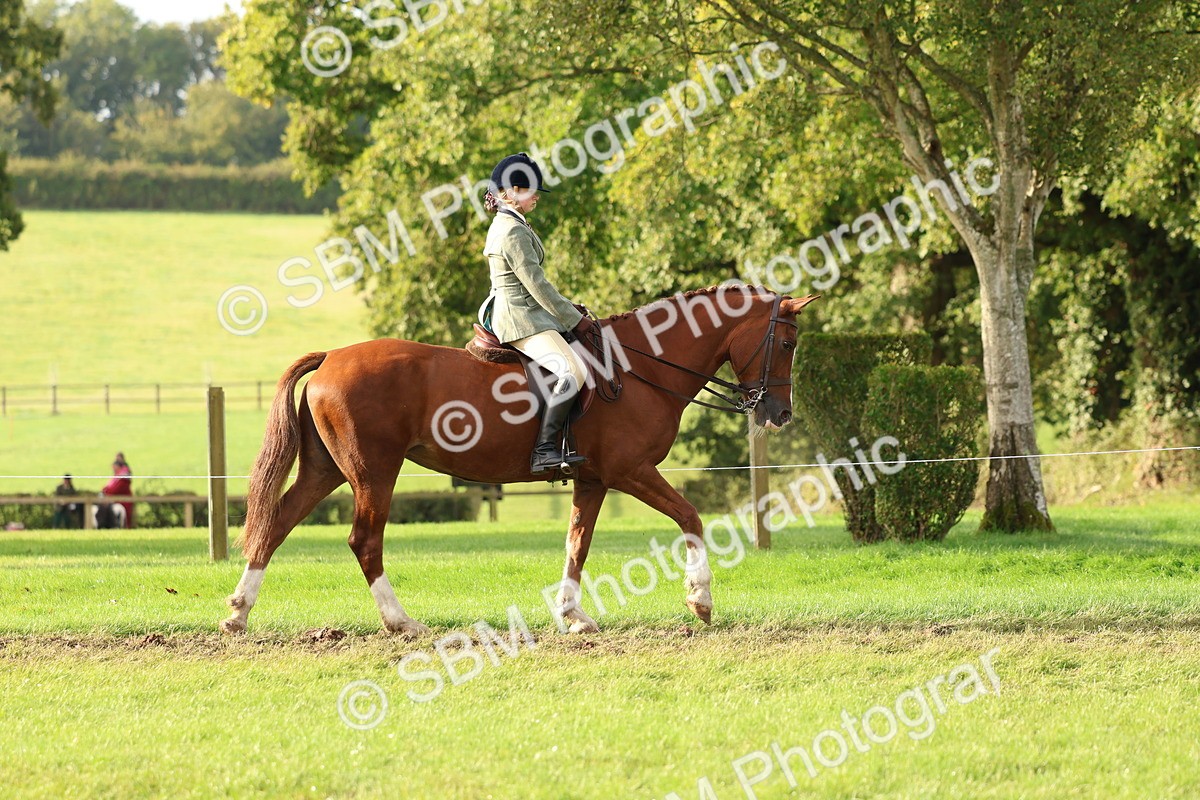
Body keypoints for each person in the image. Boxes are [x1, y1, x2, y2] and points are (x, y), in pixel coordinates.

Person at [481, 152, 596, 474]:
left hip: (528, 313)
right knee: (573, 371)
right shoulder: (512, 230)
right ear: (510, 193)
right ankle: (544, 450)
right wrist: (575, 320)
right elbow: (537, 285)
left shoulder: (511, 223)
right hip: (521, 319)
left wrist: (569, 307)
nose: (536, 198)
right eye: (530, 191)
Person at [101, 452, 133, 528]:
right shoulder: (118, 475)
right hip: (118, 498)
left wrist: (106, 492)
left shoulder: (124, 475)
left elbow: (117, 488)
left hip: (123, 500)